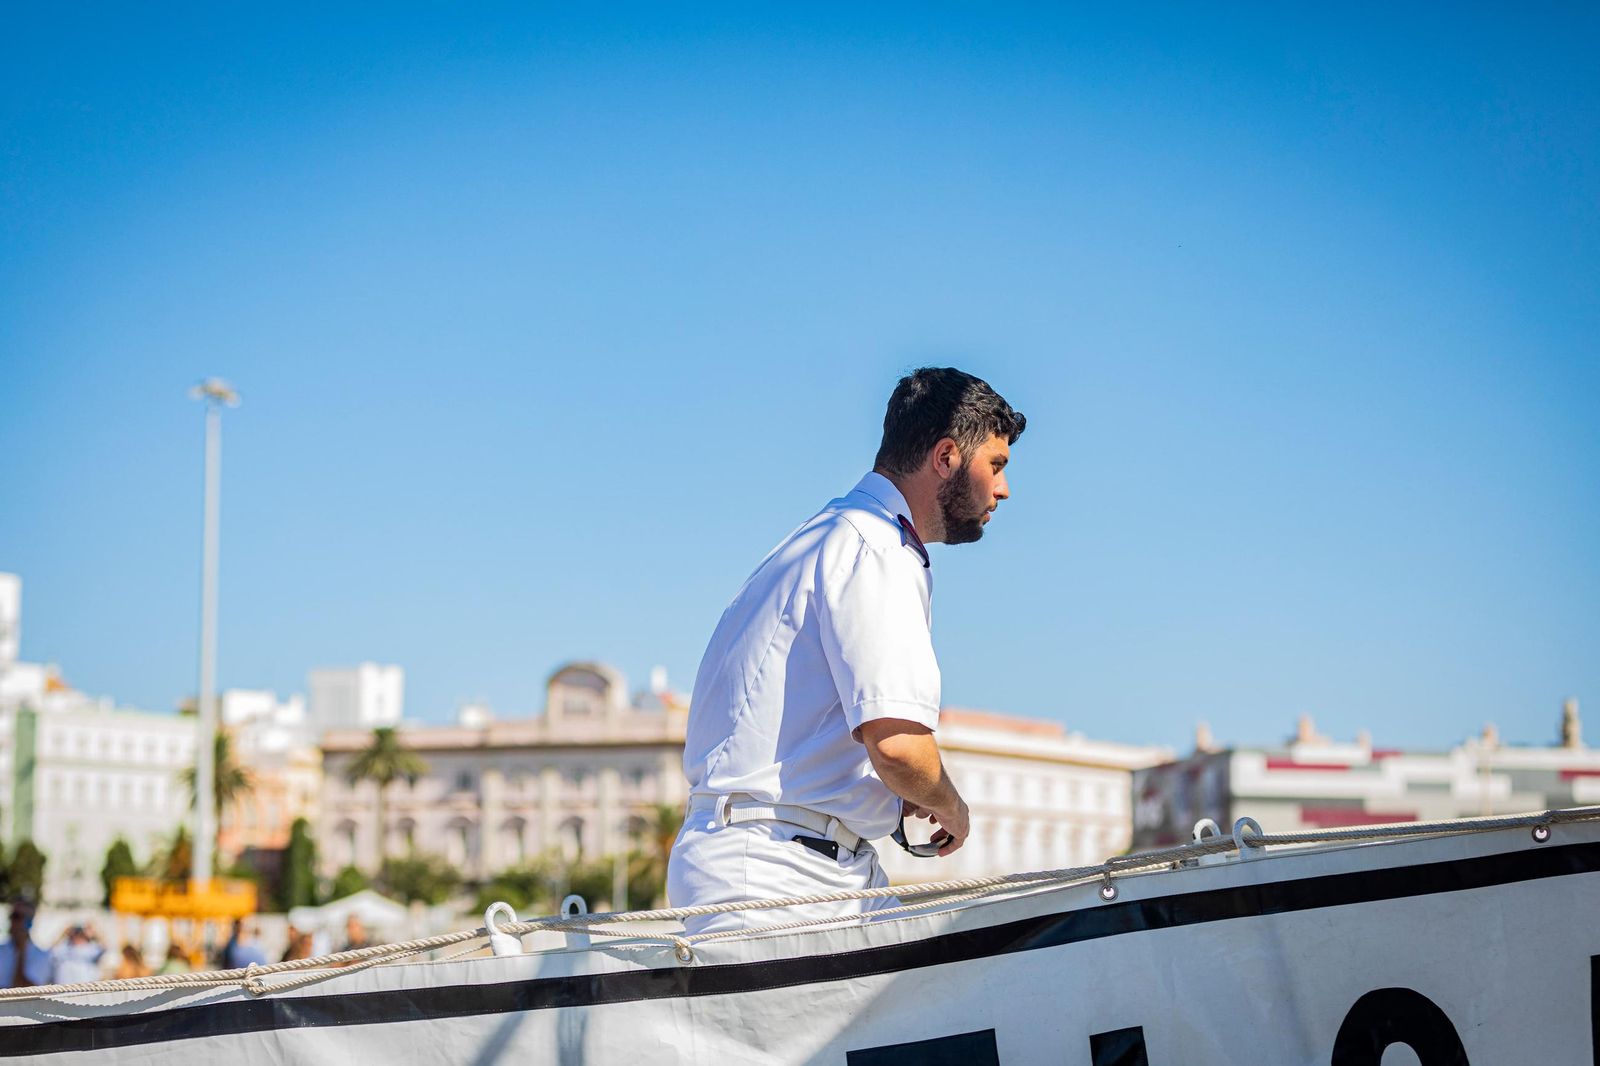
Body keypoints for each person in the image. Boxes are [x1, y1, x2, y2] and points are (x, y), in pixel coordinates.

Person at [667, 367, 1024, 935]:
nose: (1004, 489)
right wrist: (950, 806)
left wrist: (884, 796)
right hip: (781, 871)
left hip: (798, 861)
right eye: (997, 466)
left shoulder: (829, 535)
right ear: (947, 456)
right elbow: (899, 746)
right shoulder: (877, 547)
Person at [0, 899, 51, 988]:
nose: (11, 920)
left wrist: (21, 953)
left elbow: (25, 990)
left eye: (16, 916)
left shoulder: (41, 956)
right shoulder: (1, 950)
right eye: (11, 915)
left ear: (29, 923)